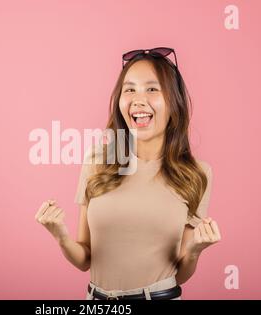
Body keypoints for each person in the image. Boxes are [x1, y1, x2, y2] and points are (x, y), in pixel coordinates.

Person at [35, 47, 221, 300]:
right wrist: (60, 236)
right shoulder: (97, 161)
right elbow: (85, 259)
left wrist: (195, 251)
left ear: (173, 102)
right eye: (130, 89)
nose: (138, 99)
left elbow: (180, 274)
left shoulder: (197, 174)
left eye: (152, 89)